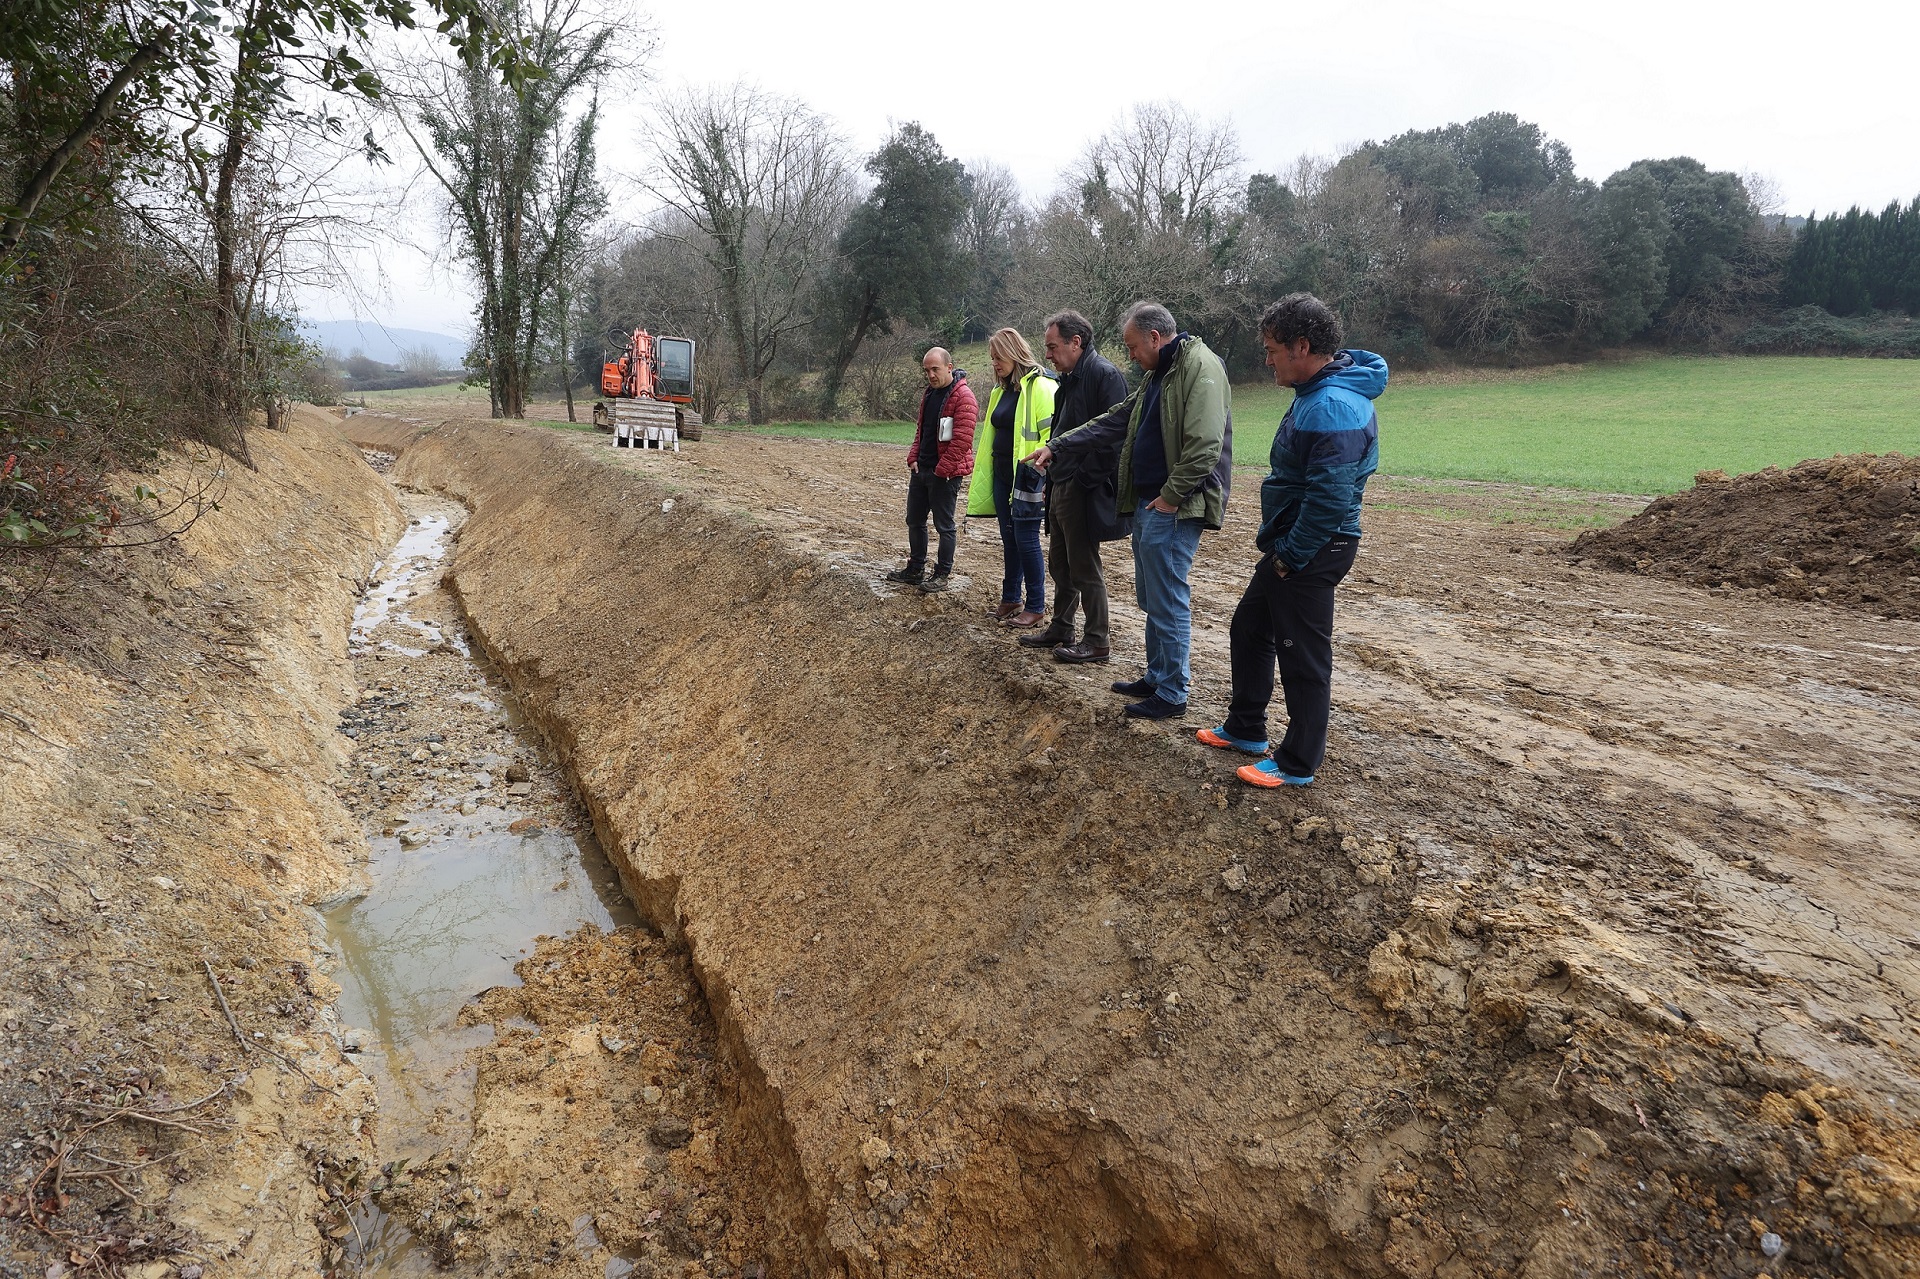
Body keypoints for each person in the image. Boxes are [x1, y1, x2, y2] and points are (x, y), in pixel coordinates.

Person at [1196, 293, 1384, 788]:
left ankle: (1298, 762)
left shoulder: (1332, 406)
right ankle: (1246, 727)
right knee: (1250, 628)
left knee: (1302, 654)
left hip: (1314, 546)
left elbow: (1329, 500)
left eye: (1272, 350)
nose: (1267, 360)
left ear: (1302, 346)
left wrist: (1290, 557)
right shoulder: (1317, 394)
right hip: (1296, 543)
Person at [1032, 301, 1231, 719]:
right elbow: (1115, 418)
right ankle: (1157, 676)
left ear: (1155, 338)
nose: (1130, 355)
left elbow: (1205, 445)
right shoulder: (1159, 373)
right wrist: (1058, 445)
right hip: (1149, 501)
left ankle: (1173, 692)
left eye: (1133, 346)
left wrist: (1171, 496)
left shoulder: (1200, 367)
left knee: (1168, 598)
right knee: (1152, 596)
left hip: (1174, 507)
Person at [1017, 310, 1131, 663]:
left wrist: (1082, 482)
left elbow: (1115, 438)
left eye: (1052, 347)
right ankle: (1062, 627)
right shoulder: (1068, 379)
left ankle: (1097, 640)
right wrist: (1053, 475)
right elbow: (1062, 432)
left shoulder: (1104, 375)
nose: (1047, 355)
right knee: (1060, 564)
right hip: (1061, 482)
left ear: (1075, 342)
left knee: (1084, 566)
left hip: (1081, 487)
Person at [965, 328, 1057, 627]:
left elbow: (1052, 435)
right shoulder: (1000, 390)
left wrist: (1042, 476)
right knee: (1009, 538)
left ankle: (1036, 605)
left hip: (1029, 476)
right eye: (992, 358)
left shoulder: (1041, 386)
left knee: (1026, 539)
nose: (994, 363)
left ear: (1014, 353)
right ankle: (1011, 598)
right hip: (1002, 474)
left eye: (998, 357)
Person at [888, 347, 978, 593]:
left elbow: (962, 441)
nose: (930, 375)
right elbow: (922, 429)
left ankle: (942, 574)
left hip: (945, 475)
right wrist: (913, 457)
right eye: (926, 370)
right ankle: (915, 569)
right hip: (922, 470)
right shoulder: (929, 394)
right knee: (914, 520)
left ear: (949, 367)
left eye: (935, 369)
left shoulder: (964, 397)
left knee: (944, 526)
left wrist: (941, 470)